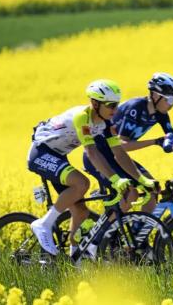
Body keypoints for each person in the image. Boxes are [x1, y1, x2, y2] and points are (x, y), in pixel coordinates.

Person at [27, 80, 142, 255]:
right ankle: (44, 224)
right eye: (111, 105)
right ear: (95, 103)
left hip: (58, 155)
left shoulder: (105, 123)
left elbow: (118, 152)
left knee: (80, 212)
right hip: (41, 153)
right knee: (82, 183)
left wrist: (142, 180)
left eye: (117, 104)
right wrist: (115, 180)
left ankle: (76, 258)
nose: (115, 110)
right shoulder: (82, 117)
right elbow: (91, 152)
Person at [82, 73, 173, 212]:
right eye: (169, 99)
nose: (172, 104)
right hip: (99, 155)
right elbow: (122, 144)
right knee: (131, 193)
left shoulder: (161, 115)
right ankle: (112, 231)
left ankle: (139, 231)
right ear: (155, 95)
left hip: (117, 156)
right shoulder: (136, 108)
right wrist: (154, 141)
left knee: (152, 189)